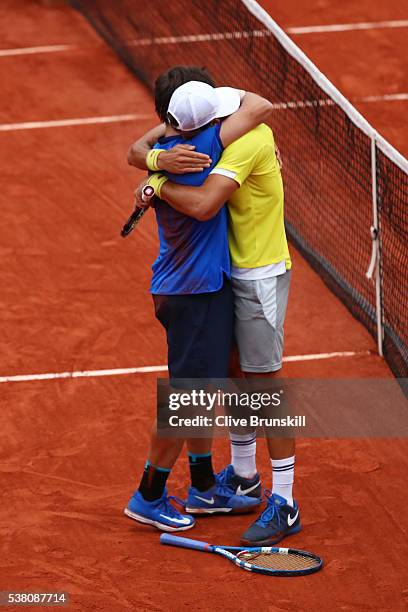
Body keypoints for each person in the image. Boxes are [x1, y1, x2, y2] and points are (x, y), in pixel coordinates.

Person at [134, 81, 301, 545]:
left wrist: (156, 177)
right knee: (230, 378)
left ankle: (284, 501)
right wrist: (154, 167)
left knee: (263, 387)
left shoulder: (238, 143)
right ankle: (243, 478)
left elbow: (207, 204)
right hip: (223, 280)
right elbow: (258, 102)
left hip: (256, 277)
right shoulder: (203, 144)